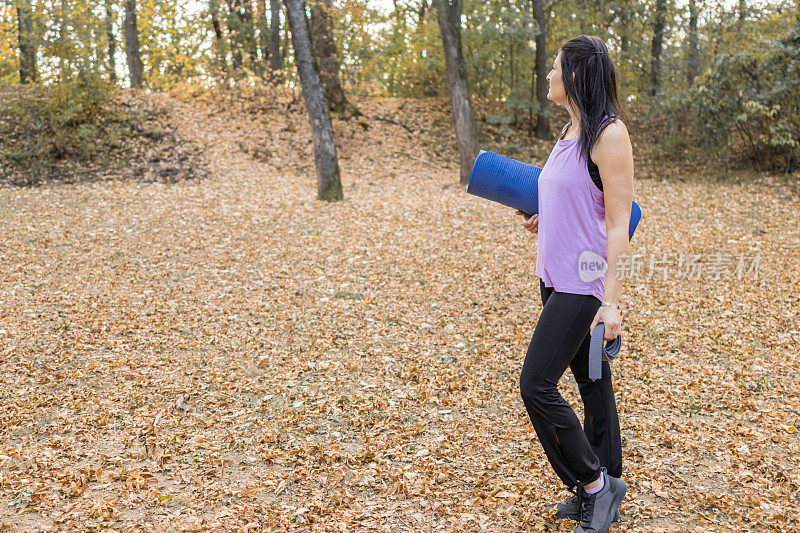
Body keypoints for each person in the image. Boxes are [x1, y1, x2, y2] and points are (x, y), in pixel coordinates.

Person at [515, 35, 634, 533]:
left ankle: (593, 485)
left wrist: (612, 303)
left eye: (556, 68)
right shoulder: (569, 132)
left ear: (577, 77)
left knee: (536, 384)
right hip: (554, 275)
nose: (548, 75)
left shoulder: (609, 135)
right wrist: (545, 219)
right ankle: (608, 483)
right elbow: (580, 201)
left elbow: (617, 222)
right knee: (591, 383)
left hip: (584, 285)